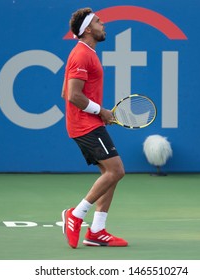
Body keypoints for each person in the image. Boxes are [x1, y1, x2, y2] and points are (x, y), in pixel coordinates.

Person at [61, 7, 128, 249]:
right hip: (85, 125)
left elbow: (65, 91)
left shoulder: (85, 52)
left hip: (88, 122)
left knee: (109, 175)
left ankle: (97, 231)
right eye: (99, 22)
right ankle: (76, 215)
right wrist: (100, 111)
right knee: (116, 171)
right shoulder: (82, 54)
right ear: (88, 29)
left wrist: (97, 113)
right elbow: (72, 95)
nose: (104, 25)